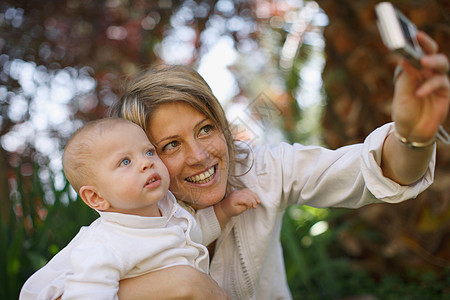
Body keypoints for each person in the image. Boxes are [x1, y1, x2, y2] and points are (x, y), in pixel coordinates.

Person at [109, 31, 448, 299]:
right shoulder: (124, 221)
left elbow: (375, 170)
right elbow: (59, 288)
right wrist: (180, 286)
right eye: (171, 145)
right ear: (143, 157)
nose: (199, 156)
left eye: (206, 129)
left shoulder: (262, 169)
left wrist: (412, 136)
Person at [19, 118, 258, 299]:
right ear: (95, 197)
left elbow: (191, 235)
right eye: (125, 161)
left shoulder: (167, 210)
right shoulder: (104, 245)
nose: (146, 162)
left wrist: (224, 210)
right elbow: (88, 294)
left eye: (149, 151)